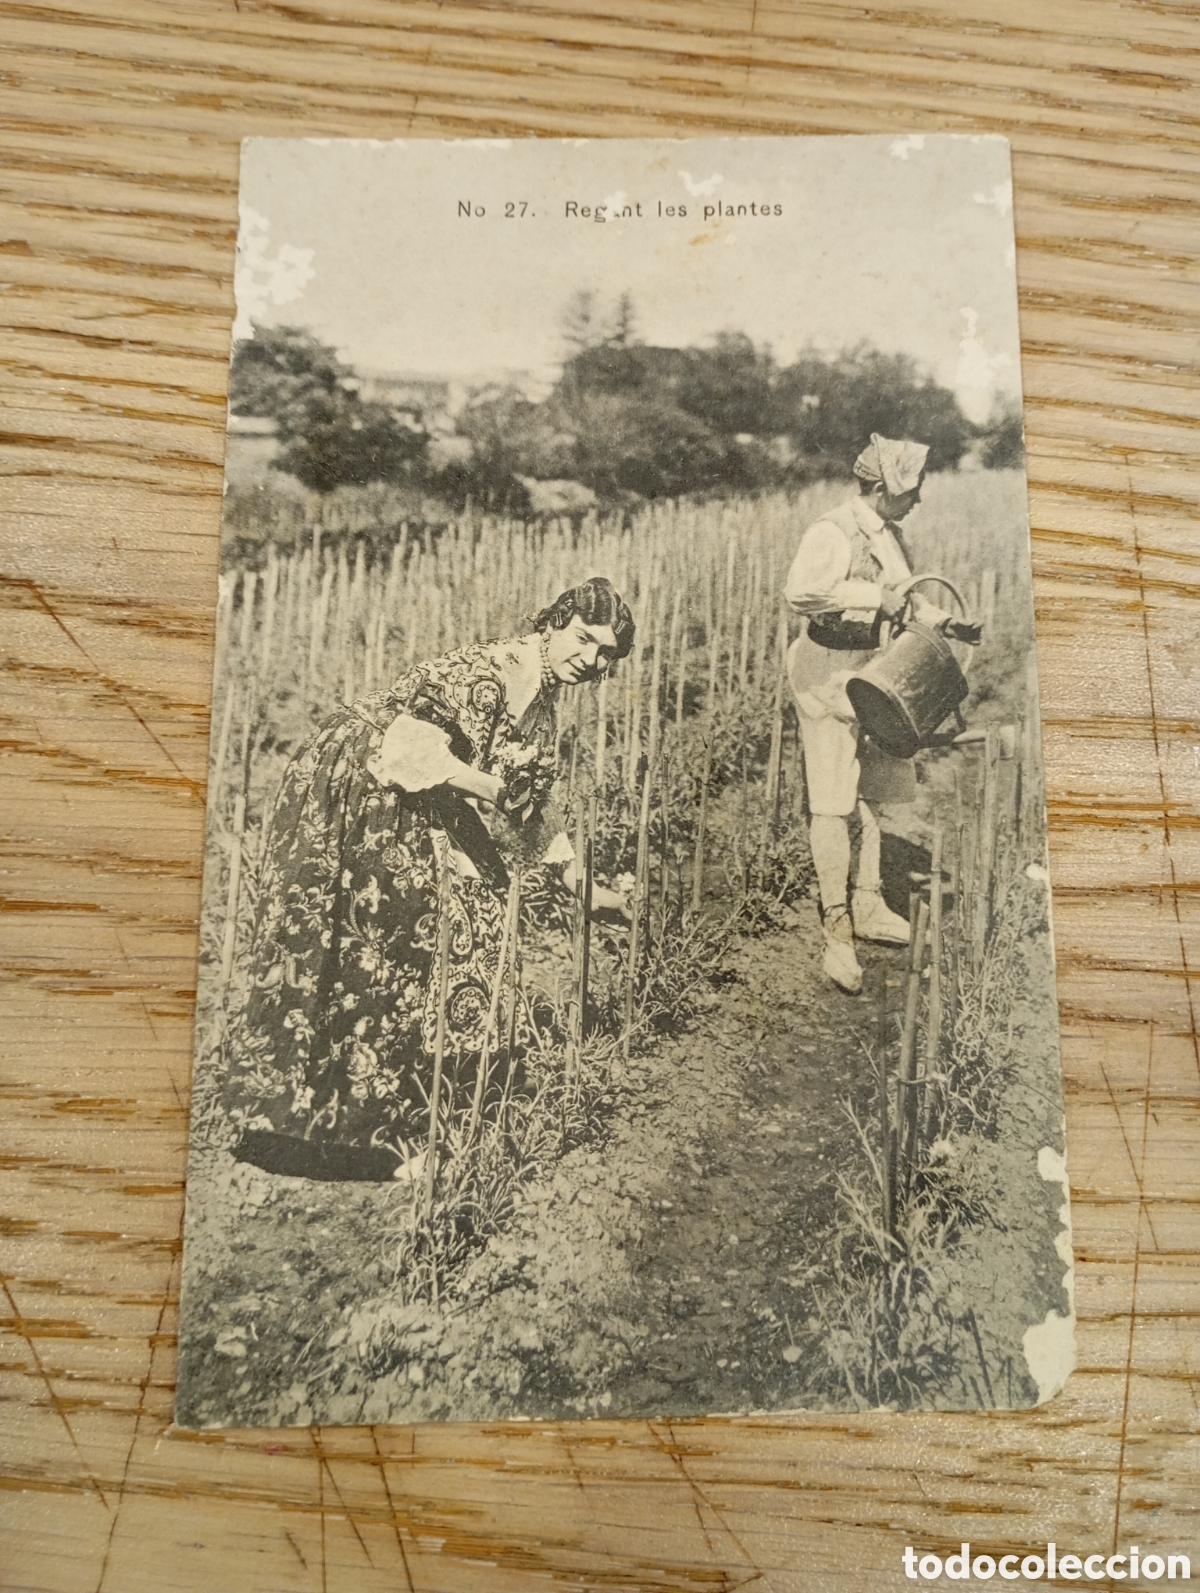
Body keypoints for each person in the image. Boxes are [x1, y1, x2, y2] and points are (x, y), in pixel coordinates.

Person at [222, 576, 635, 1181]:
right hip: (362, 784)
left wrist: (580, 882)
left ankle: (403, 1106)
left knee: (476, 912)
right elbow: (407, 750)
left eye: (605, 654)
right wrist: (495, 789)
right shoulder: (488, 674)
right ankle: (368, 1147)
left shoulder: (541, 695)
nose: (591, 660)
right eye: (583, 640)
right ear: (553, 623)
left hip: (415, 792)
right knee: (384, 943)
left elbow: (531, 809)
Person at [784, 434, 977, 995]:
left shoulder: (890, 535)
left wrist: (949, 625)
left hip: (877, 669)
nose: (919, 498)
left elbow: (907, 597)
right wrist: (870, 598)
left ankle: (869, 903)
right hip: (827, 676)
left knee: (868, 791)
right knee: (831, 803)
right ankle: (837, 933)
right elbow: (801, 593)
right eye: (912, 488)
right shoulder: (832, 530)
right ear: (881, 486)